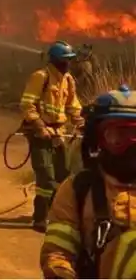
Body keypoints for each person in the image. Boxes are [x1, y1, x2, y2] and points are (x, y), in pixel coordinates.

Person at [41, 86, 136, 278]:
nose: (131, 147)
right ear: (98, 140)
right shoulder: (79, 189)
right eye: (118, 137)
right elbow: (58, 254)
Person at [20, 40, 84, 233]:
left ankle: (56, 216)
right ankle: (40, 219)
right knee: (46, 178)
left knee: (63, 176)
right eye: (65, 60)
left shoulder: (68, 79)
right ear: (55, 60)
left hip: (59, 134)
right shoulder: (40, 77)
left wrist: (79, 120)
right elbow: (27, 104)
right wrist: (40, 126)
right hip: (41, 134)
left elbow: (73, 105)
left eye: (70, 60)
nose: (68, 64)